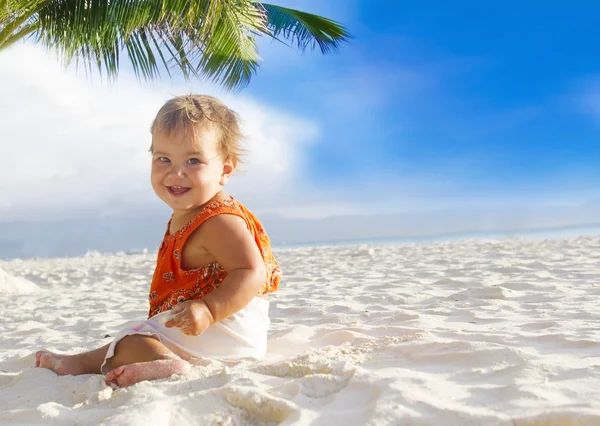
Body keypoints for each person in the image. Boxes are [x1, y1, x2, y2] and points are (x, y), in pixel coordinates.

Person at [35, 95, 281, 388]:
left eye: (193, 160)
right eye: (163, 159)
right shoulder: (192, 212)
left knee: (133, 337)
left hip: (225, 329)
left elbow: (252, 271)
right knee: (135, 335)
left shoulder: (218, 220)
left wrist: (209, 309)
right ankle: (90, 361)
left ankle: (155, 364)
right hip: (218, 334)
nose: (176, 172)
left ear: (226, 169)